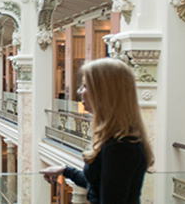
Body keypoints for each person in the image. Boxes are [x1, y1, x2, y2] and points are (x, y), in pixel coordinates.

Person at [41, 58, 152, 204]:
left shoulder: (120, 146)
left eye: (85, 86)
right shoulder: (117, 139)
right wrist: (65, 170)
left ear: (105, 92)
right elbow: (98, 185)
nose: (79, 91)